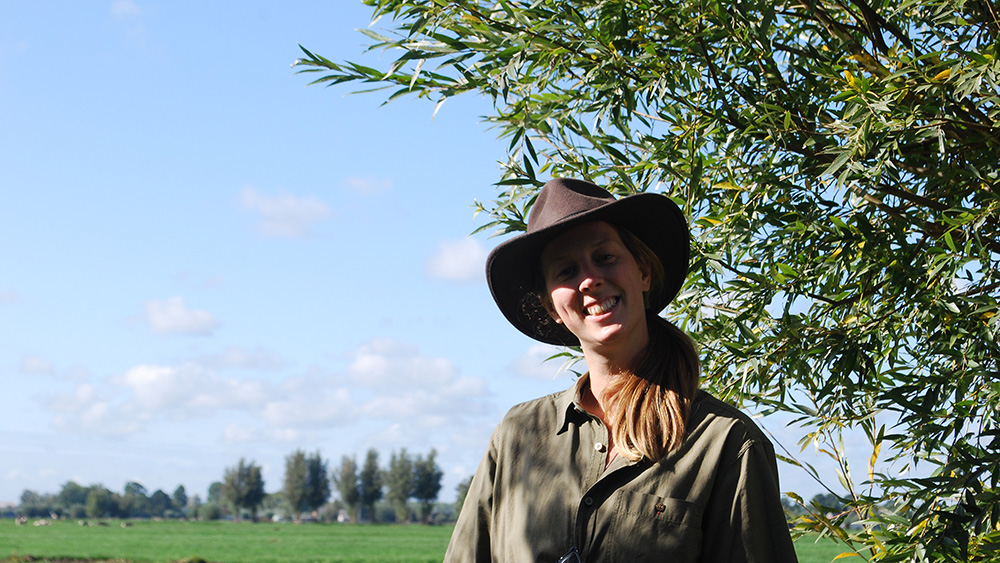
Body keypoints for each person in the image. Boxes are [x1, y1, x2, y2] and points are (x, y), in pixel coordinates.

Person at [444, 178, 798, 562]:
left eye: (605, 257)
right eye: (566, 270)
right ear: (550, 308)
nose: (590, 278)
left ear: (643, 272)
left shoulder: (725, 444)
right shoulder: (517, 435)